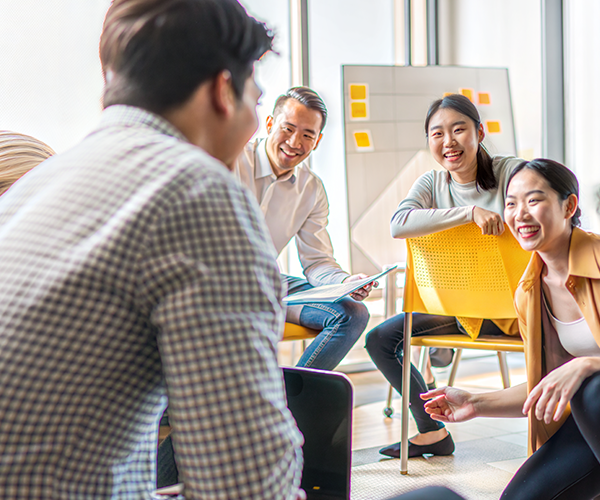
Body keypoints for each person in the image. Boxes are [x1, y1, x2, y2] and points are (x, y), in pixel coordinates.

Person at [0, 1, 304, 499]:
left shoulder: (42, 182)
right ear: (222, 90)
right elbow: (246, 485)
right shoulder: (196, 189)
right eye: (256, 97)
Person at [424, 158, 600, 499]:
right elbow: (545, 385)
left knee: (591, 389)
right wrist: (475, 402)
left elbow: (581, 378)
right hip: (592, 419)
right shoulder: (529, 291)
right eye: (510, 203)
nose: (520, 214)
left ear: (569, 206)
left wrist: (588, 364)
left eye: (533, 200)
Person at [365, 93, 524, 459]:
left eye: (459, 130)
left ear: (479, 133)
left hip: (514, 311)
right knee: (379, 339)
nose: (448, 141)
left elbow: (542, 205)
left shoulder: (511, 172)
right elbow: (399, 224)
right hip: (457, 308)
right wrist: (469, 213)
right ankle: (432, 431)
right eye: (437, 133)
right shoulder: (432, 183)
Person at [234, 87, 371, 370]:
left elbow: (317, 262)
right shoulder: (232, 161)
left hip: (267, 284)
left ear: (317, 141)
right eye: (288, 128)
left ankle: (298, 393)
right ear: (269, 124)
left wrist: (344, 282)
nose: (295, 142)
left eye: (308, 135)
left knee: (352, 314)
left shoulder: (312, 189)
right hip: (219, 283)